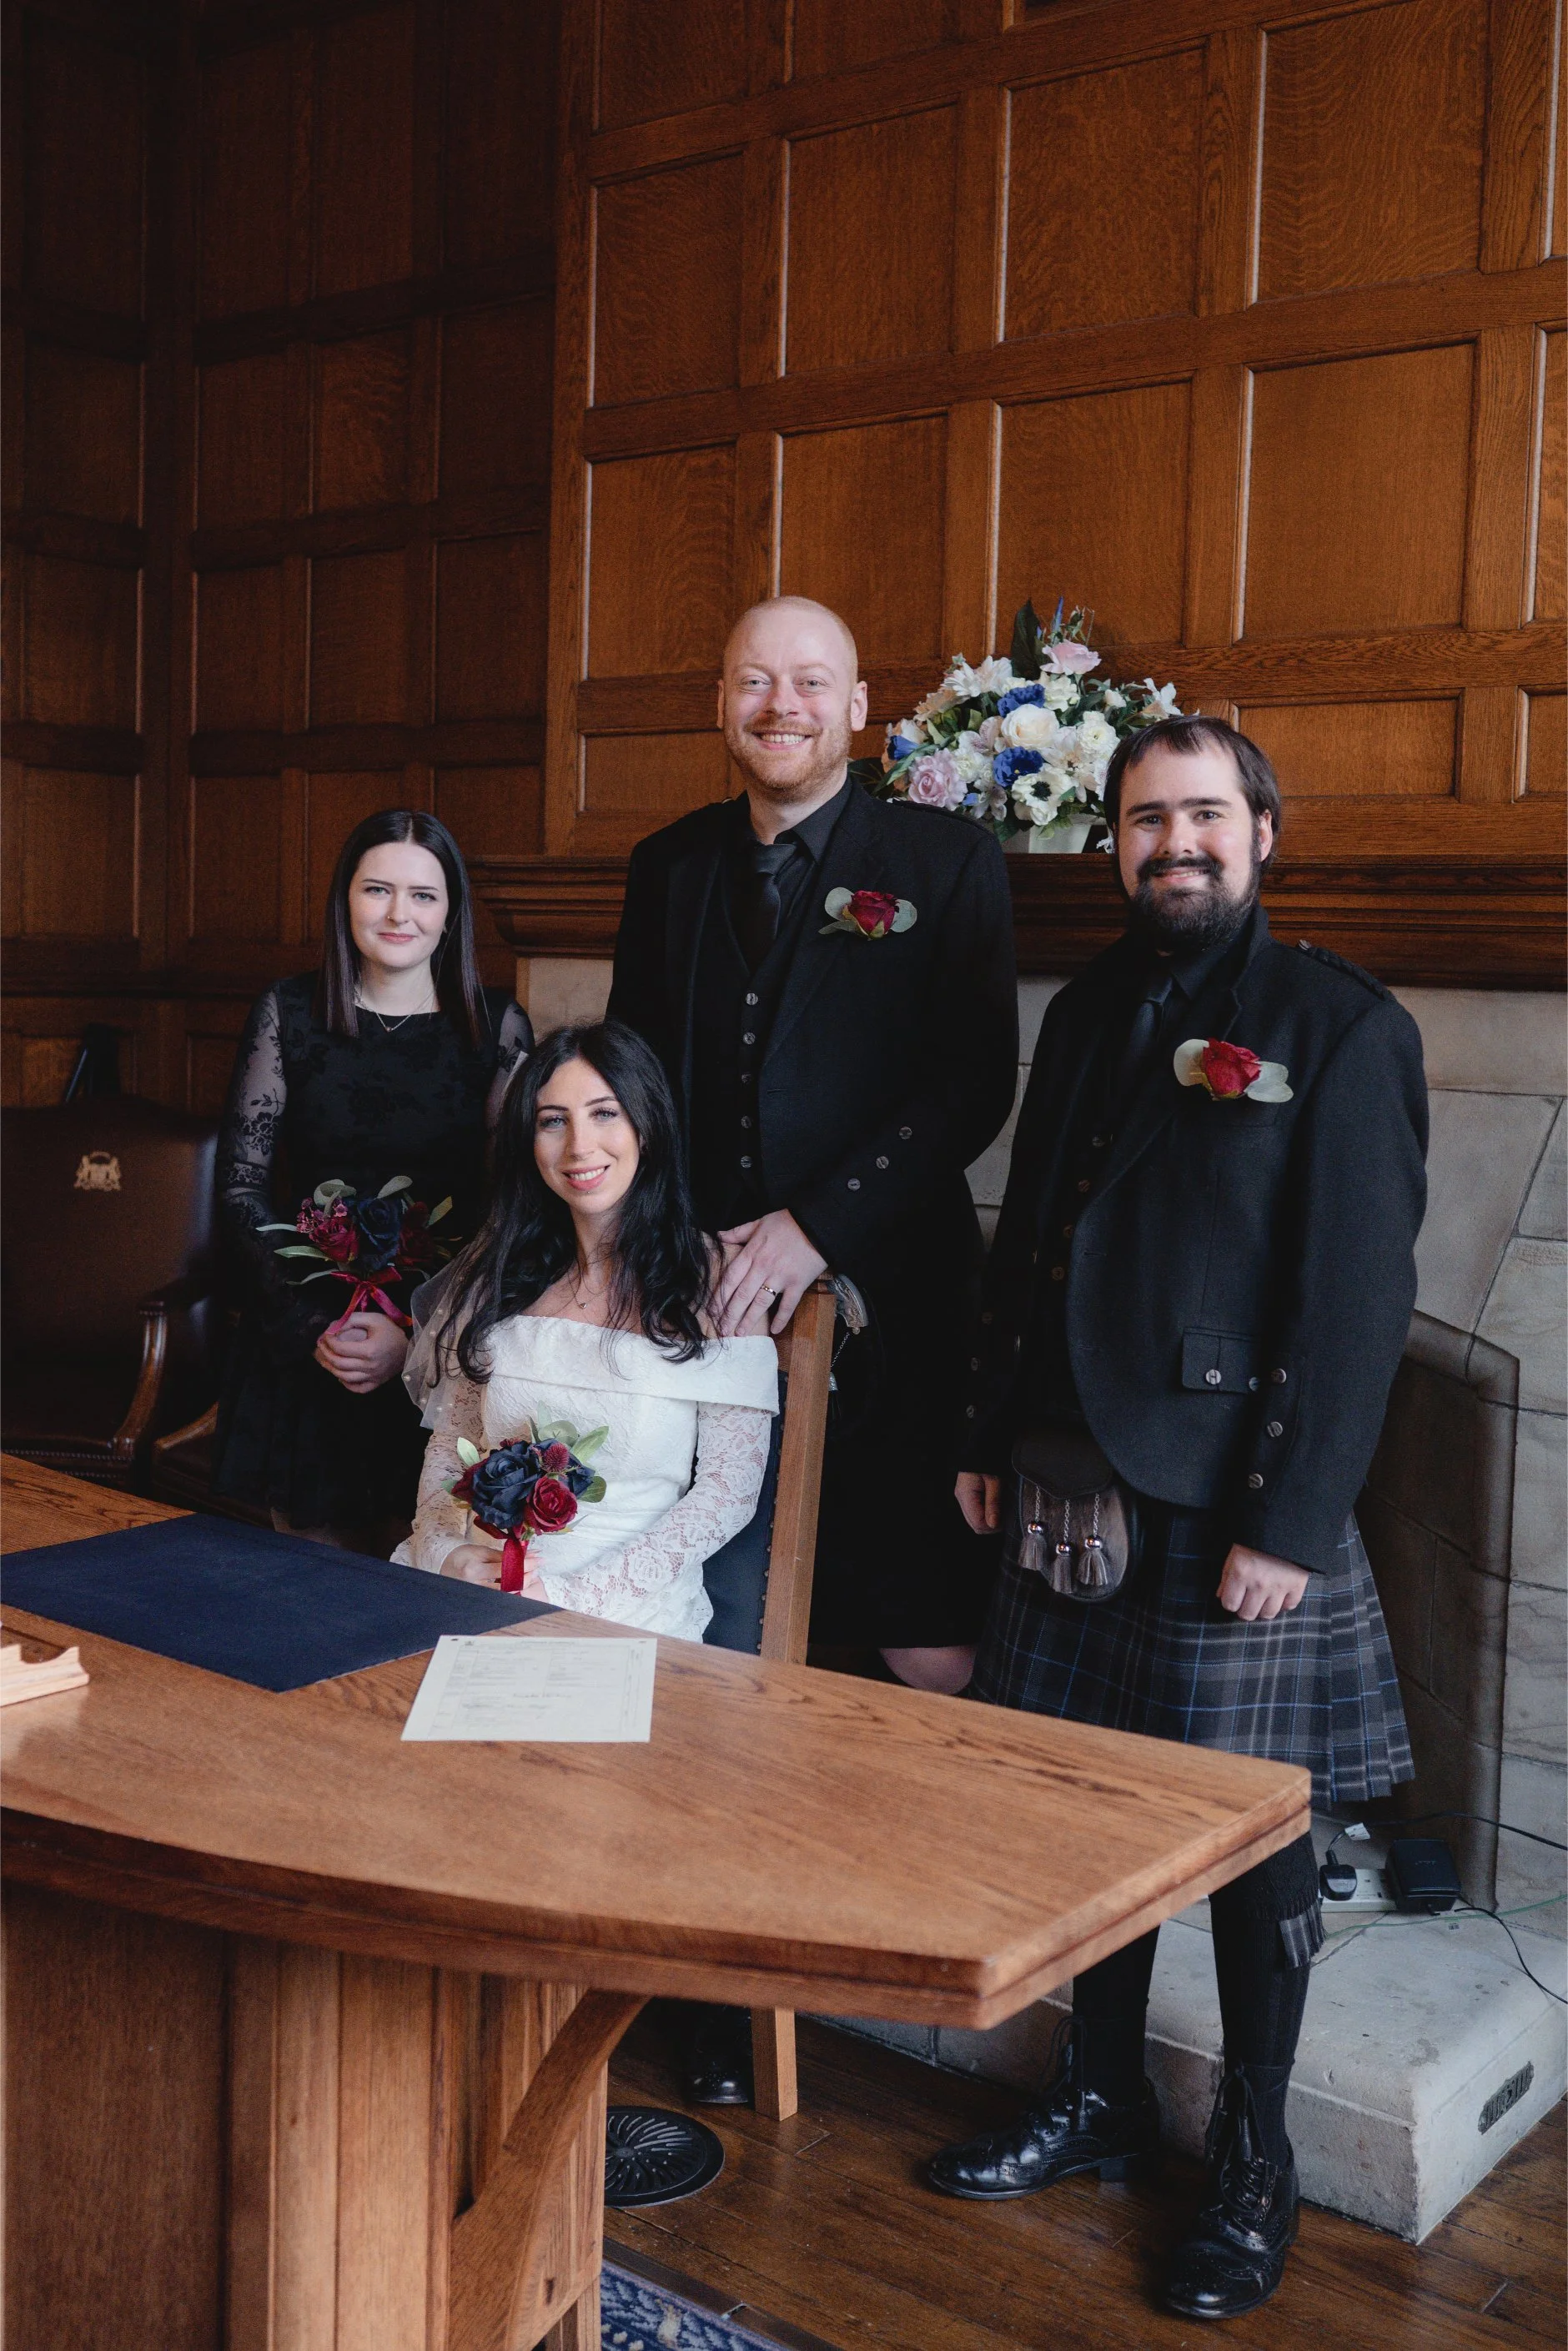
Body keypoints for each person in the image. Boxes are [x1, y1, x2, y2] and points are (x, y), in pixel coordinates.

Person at [926, 716, 1426, 2322]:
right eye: (1147, 821)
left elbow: (1358, 1303)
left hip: (1228, 1507)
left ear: (1264, 830)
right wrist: (991, 1431)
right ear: (1116, 842)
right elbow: (1032, 1239)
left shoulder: (1337, 1025)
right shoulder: (1081, 1010)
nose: (1175, 845)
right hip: (1068, 1480)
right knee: (1091, 1818)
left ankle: (1256, 2156)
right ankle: (1102, 2091)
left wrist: (1290, 1516)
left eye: (1205, 815)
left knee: (1253, 1849)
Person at [609, 591, 1018, 2105]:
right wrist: (678, 1245)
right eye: (752, 677)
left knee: (926, 1636)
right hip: (704, 1314)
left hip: (897, 1304)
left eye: (809, 681)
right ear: (723, 701)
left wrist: (813, 1228)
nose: (779, 702)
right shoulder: (667, 868)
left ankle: (910, 1945)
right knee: (720, 1629)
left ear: (861, 706)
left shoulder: (943, 860)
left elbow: (969, 1080)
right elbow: (635, 1077)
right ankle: (730, 1974)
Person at [214, 808, 531, 1553]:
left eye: (423, 895)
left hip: (436, 1349)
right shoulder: (287, 1012)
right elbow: (239, 1189)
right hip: (311, 1340)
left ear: (450, 913)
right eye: (377, 890)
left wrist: (414, 1334)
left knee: (426, 1569)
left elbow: (510, 1212)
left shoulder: (497, 1027)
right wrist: (313, 1327)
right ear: (344, 901)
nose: (399, 913)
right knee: (309, 1589)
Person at [396, 1021, 777, 1640]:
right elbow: (450, 1446)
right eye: (553, 1120)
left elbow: (727, 1495)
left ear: (646, 1126)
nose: (579, 1146)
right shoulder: (501, 1275)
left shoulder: (714, 1282)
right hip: (480, 1587)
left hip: (628, 1609)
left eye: (605, 1113)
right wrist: (447, 1551)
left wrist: (572, 1595)